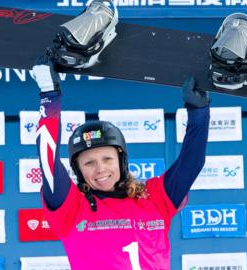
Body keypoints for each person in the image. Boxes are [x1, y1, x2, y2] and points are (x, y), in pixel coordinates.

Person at [32, 54, 210, 269]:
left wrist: (198, 112)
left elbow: (191, 163)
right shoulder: (71, 208)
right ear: (78, 170)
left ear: (121, 160)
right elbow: (48, 160)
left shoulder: (154, 198)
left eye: (107, 159)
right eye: (89, 163)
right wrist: (50, 97)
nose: (100, 169)